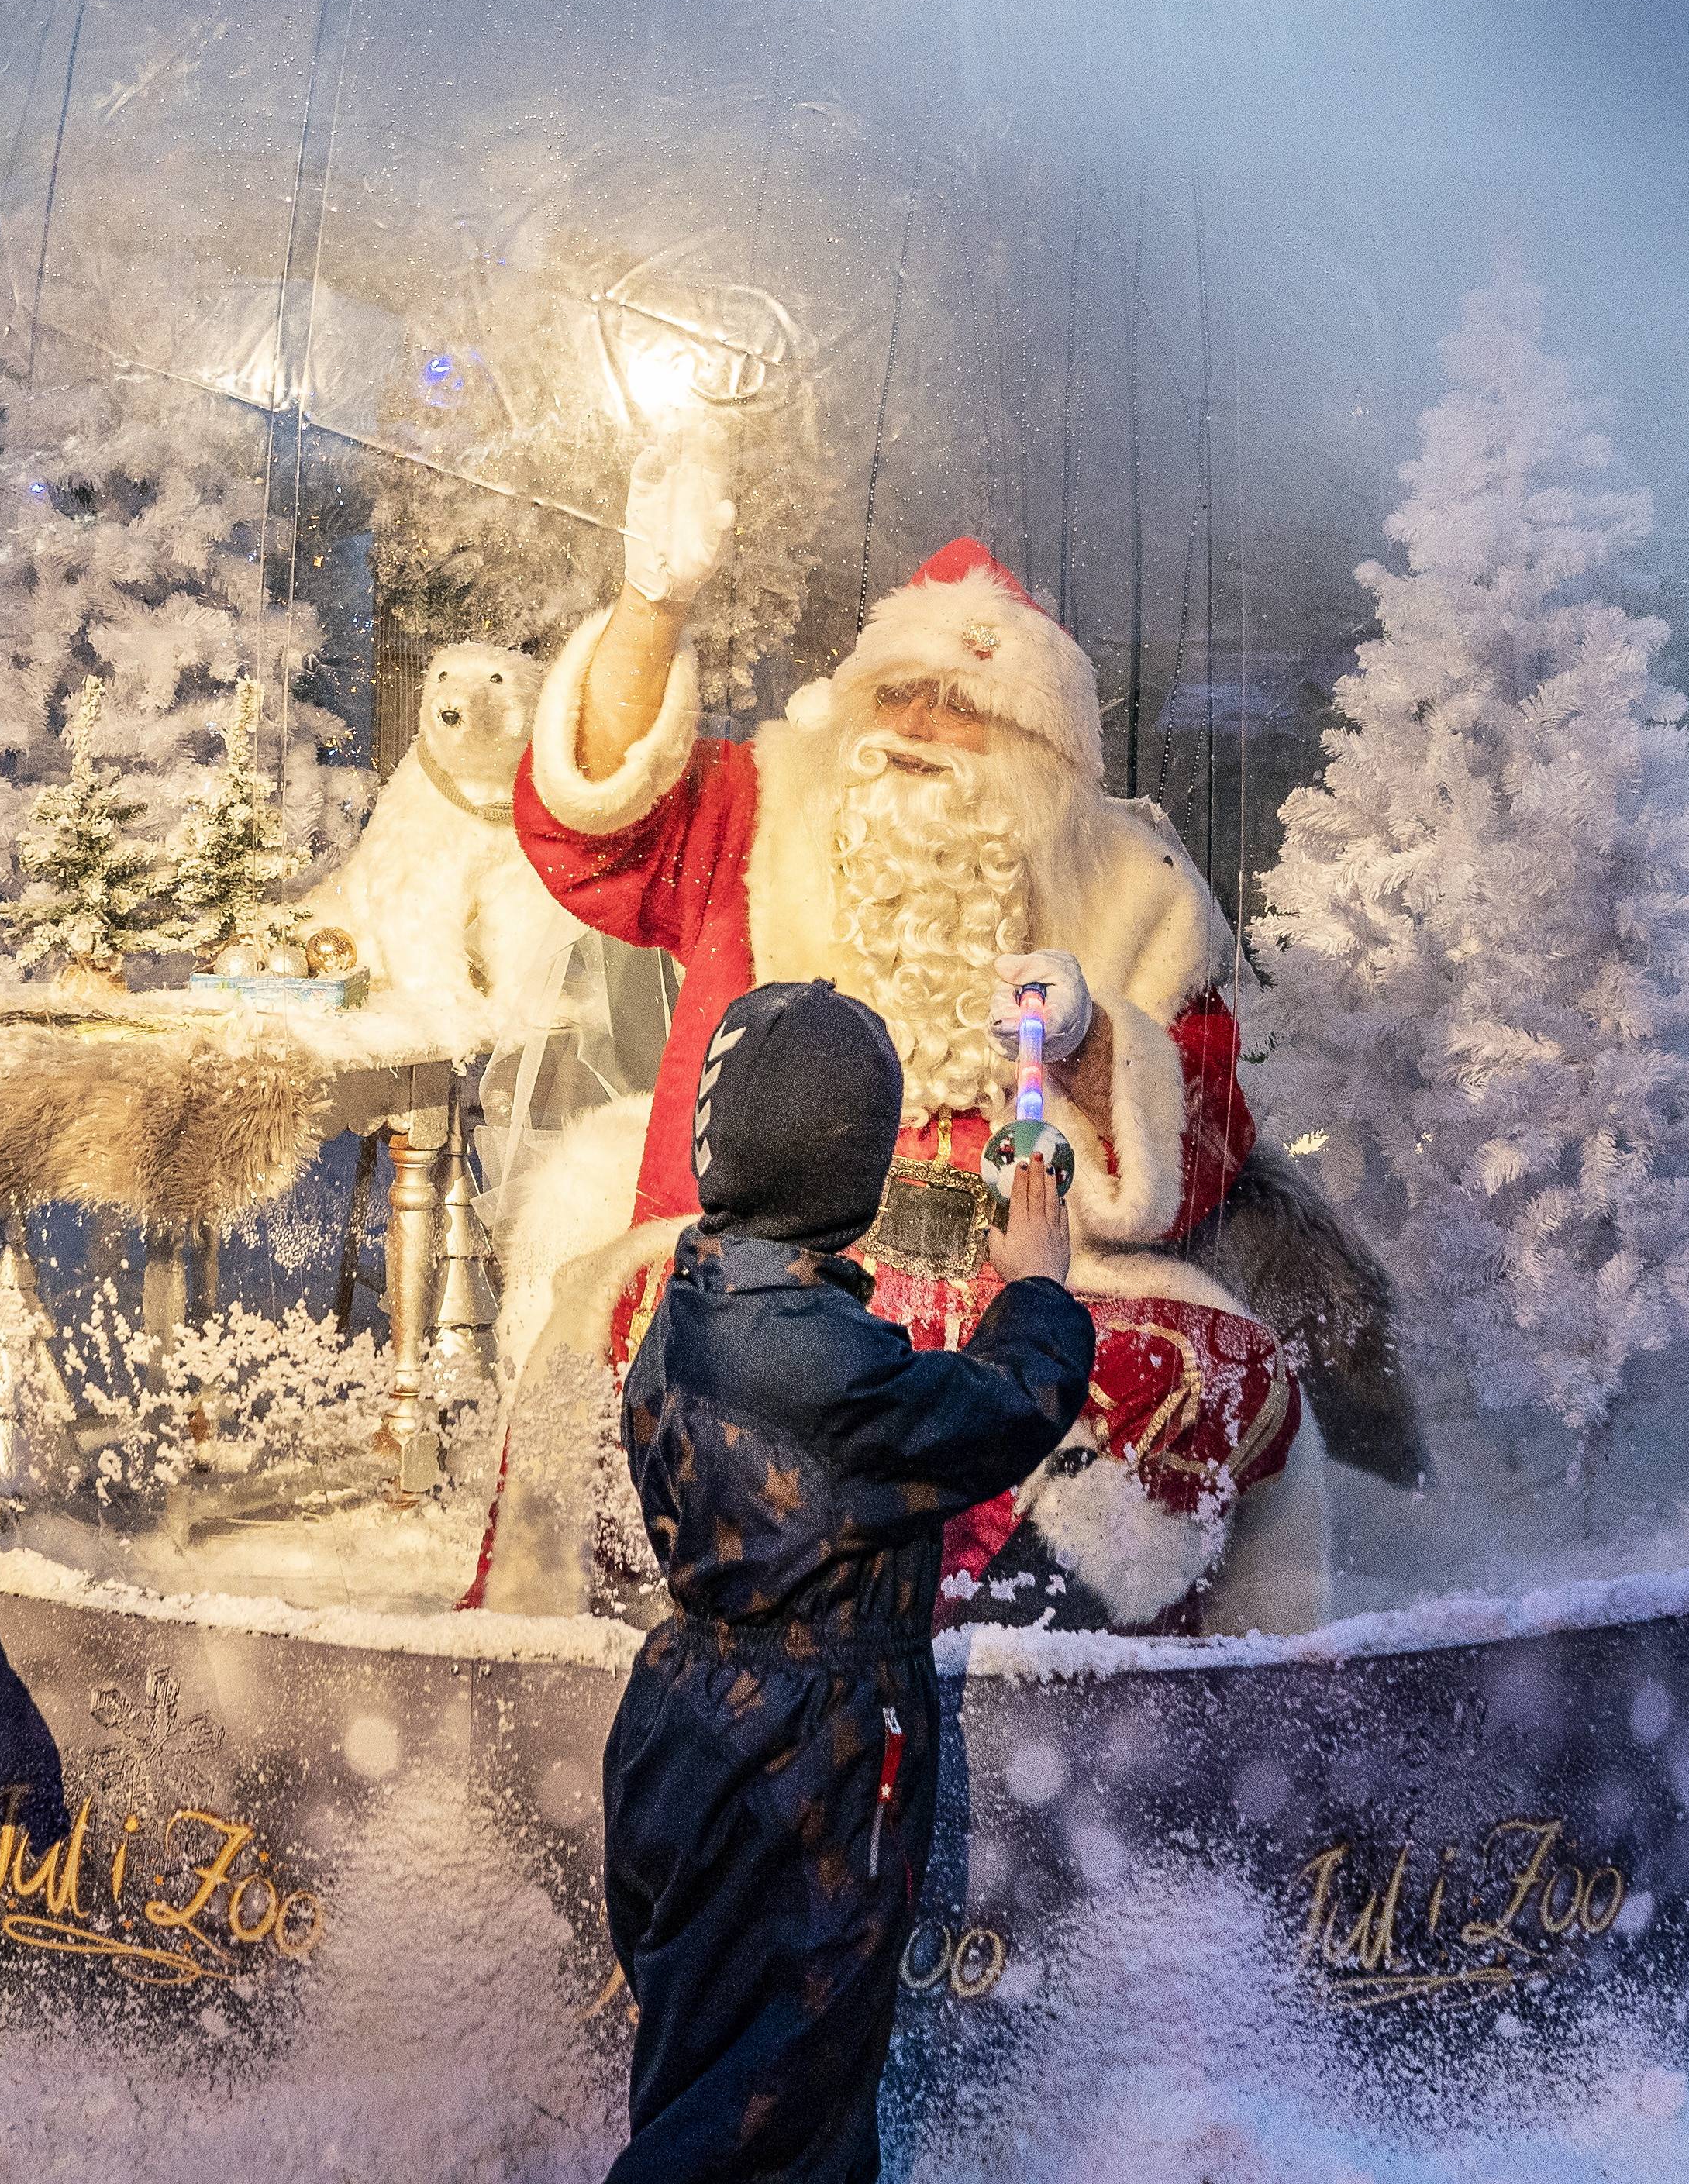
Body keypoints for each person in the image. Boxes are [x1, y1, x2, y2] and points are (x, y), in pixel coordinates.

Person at [517, 443, 1315, 1630]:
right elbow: (599, 837)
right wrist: (651, 612)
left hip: (1036, 1272)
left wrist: (1096, 1044)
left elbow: (1201, 1141)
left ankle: (1034, 1657)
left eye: (969, 707)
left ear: (1047, 754)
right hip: (783, 1256)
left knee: (1213, 1378)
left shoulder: (1134, 885)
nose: (922, 726)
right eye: (897, 694)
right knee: (674, 1348)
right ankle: (778, 1611)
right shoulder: (767, 809)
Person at [601, 978, 1095, 2184]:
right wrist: (1035, 1286)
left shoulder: (702, 1291)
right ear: (854, 1178)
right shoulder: (823, 1370)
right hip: (802, 1772)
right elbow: (1000, 1409)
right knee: (769, 2122)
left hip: (684, 1728)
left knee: (711, 2073)